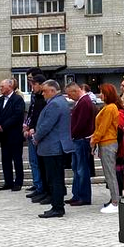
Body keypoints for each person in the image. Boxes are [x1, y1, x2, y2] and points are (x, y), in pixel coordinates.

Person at [32, 80, 74, 218]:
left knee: (54, 179)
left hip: (53, 147)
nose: (42, 93)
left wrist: (36, 137)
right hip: (55, 146)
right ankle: (57, 205)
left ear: (52, 90)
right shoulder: (60, 102)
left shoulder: (55, 104)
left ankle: (57, 207)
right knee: (56, 178)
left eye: (45, 91)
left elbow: (46, 126)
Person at [92, 84, 124, 214]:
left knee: (110, 173)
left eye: (102, 93)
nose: (100, 95)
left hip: (108, 143)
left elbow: (103, 127)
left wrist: (93, 140)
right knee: (109, 173)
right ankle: (115, 200)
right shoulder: (108, 107)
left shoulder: (110, 108)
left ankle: (115, 202)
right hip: (106, 143)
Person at [0, 79, 26, 191]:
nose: (0, 88)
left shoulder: (17, 100)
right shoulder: (0, 100)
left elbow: (17, 116)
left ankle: (18, 182)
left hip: (14, 134)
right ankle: (8, 182)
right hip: (3, 135)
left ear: (10, 86)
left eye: (2, 86)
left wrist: (3, 126)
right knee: (5, 159)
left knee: (17, 159)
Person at [65, 82, 94, 206]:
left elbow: (81, 123)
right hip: (78, 139)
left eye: (69, 94)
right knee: (77, 168)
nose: (69, 97)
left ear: (75, 91)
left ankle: (84, 196)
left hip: (81, 139)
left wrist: (71, 134)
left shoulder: (84, 102)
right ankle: (77, 194)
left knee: (82, 170)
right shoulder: (83, 102)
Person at [24, 75, 47, 200]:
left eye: (34, 84)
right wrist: (27, 126)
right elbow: (32, 115)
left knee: (38, 163)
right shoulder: (35, 98)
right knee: (34, 162)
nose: (32, 87)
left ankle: (41, 187)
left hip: (38, 135)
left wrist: (33, 129)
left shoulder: (43, 100)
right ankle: (38, 185)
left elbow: (41, 118)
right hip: (32, 132)